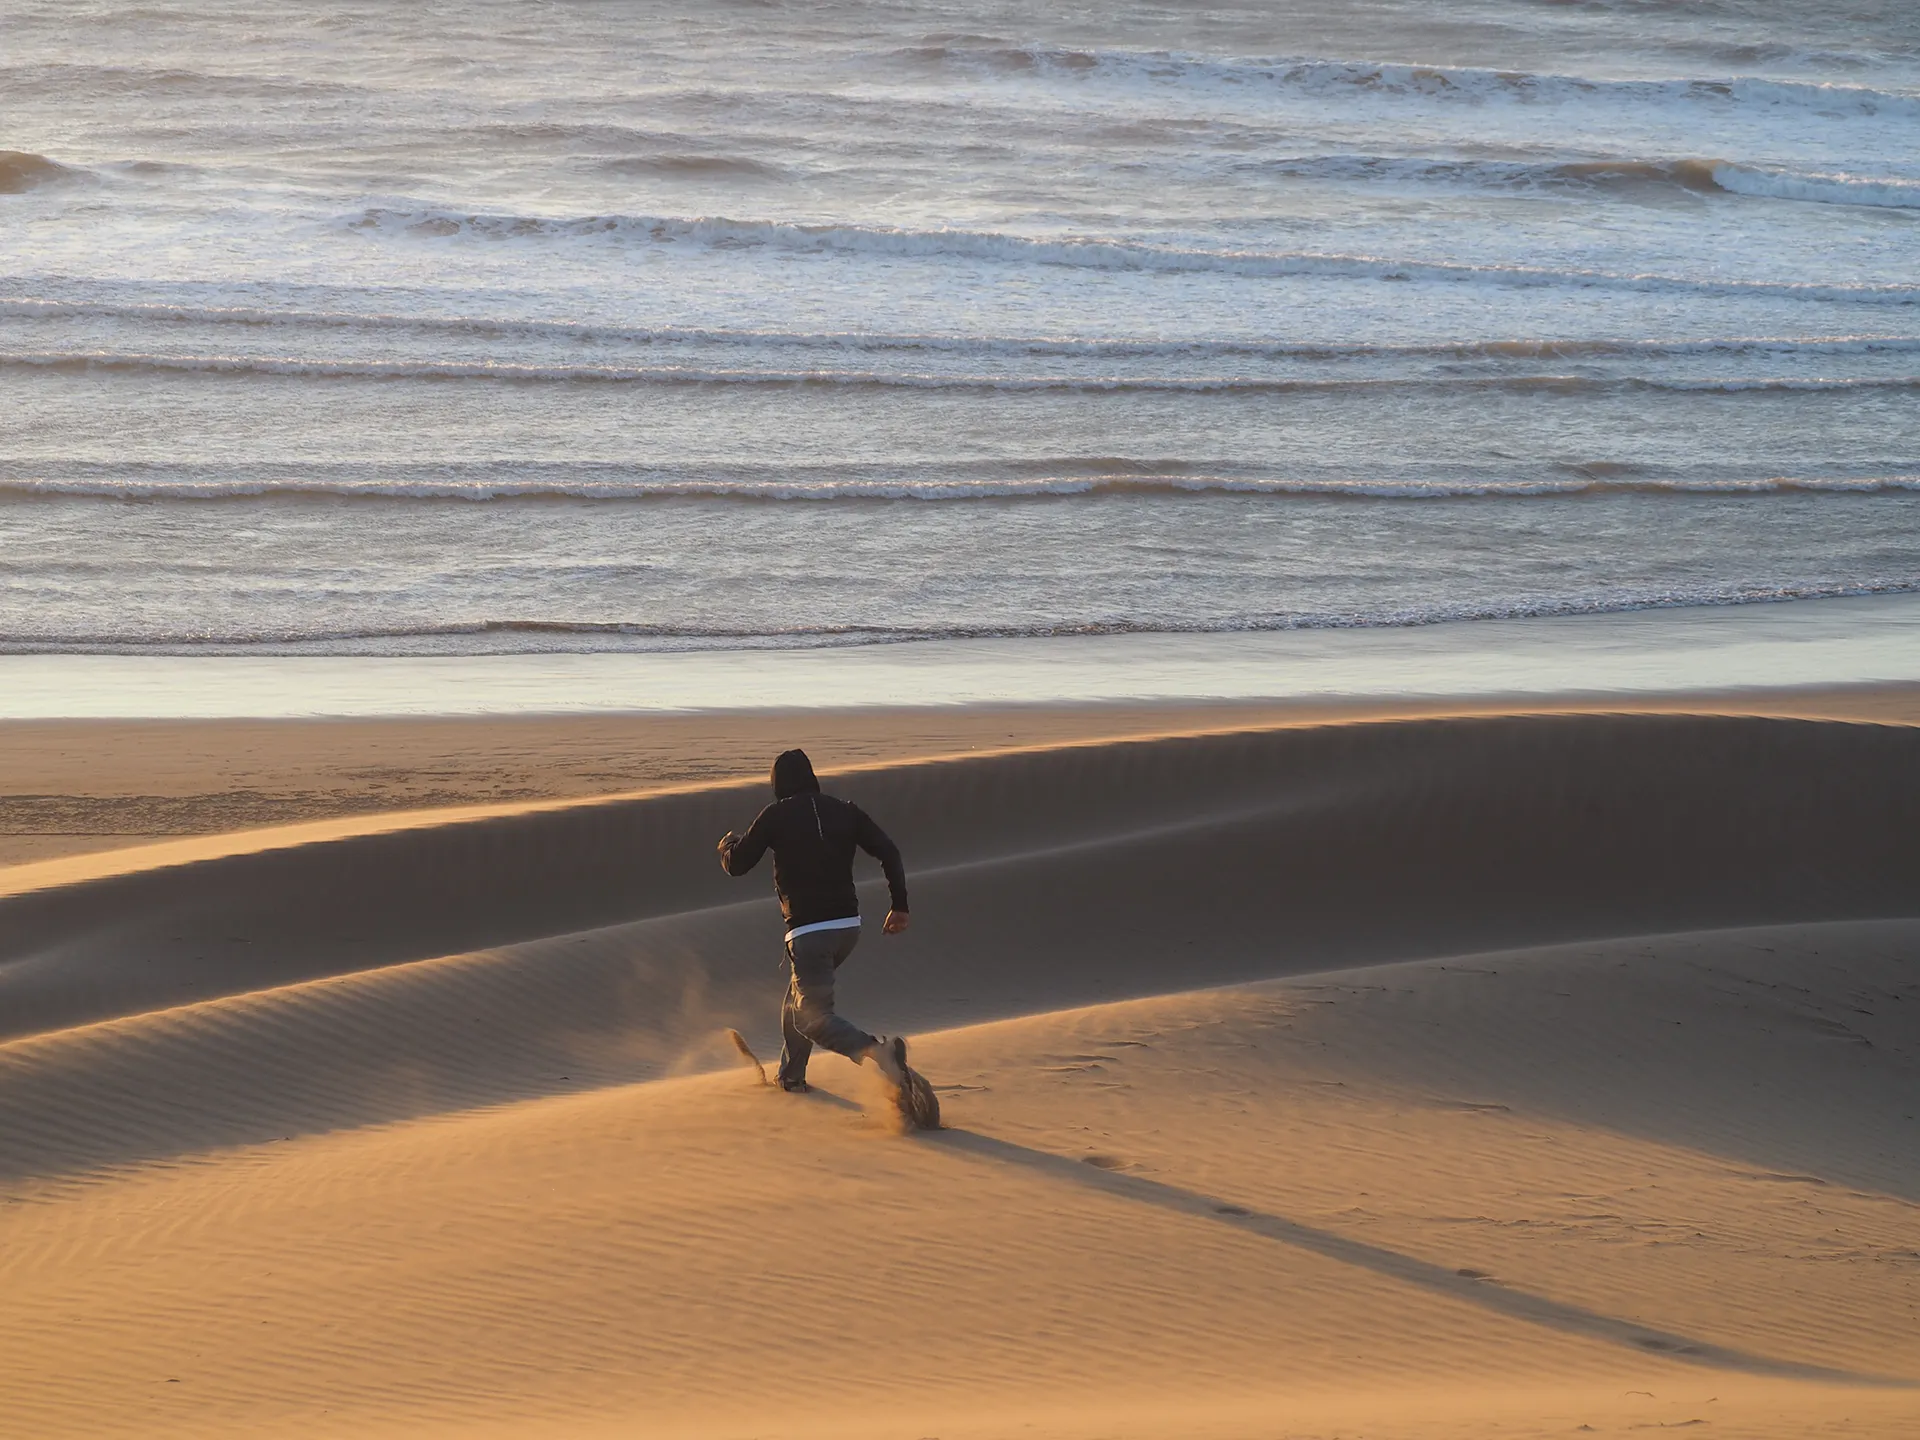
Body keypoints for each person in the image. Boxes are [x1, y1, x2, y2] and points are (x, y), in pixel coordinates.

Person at [717, 748, 913, 1098]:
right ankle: (791, 1078)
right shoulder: (845, 811)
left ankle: (878, 1052)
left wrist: (726, 848)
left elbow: (738, 864)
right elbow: (889, 851)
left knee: (811, 1018)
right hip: (847, 928)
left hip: (810, 933)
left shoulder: (775, 815)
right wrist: (899, 906)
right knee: (796, 1002)